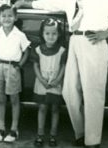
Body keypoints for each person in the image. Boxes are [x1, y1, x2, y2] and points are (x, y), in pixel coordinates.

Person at [15, 0, 108, 148]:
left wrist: (107, 32)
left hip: (94, 42)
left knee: (93, 93)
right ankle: (81, 133)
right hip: (75, 41)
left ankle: (93, 142)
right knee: (69, 91)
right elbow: (49, 3)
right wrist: (24, 3)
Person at [0, 4, 31, 143]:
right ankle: (1, 128)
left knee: (14, 99)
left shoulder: (19, 35)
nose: (7, 18)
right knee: (0, 99)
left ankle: (14, 129)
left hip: (12, 68)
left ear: (15, 17)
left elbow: (27, 51)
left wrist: (20, 65)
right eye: (4, 16)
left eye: (10, 15)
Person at [31, 18, 66, 147]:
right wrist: (41, 79)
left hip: (56, 84)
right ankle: (40, 134)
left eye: (54, 33)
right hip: (42, 83)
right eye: (47, 33)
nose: (51, 37)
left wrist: (57, 80)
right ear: (42, 34)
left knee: (55, 108)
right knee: (42, 107)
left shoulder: (62, 50)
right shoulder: (38, 50)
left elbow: (63, 67)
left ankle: (53, 135)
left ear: (59, 34)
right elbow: (35, 66)